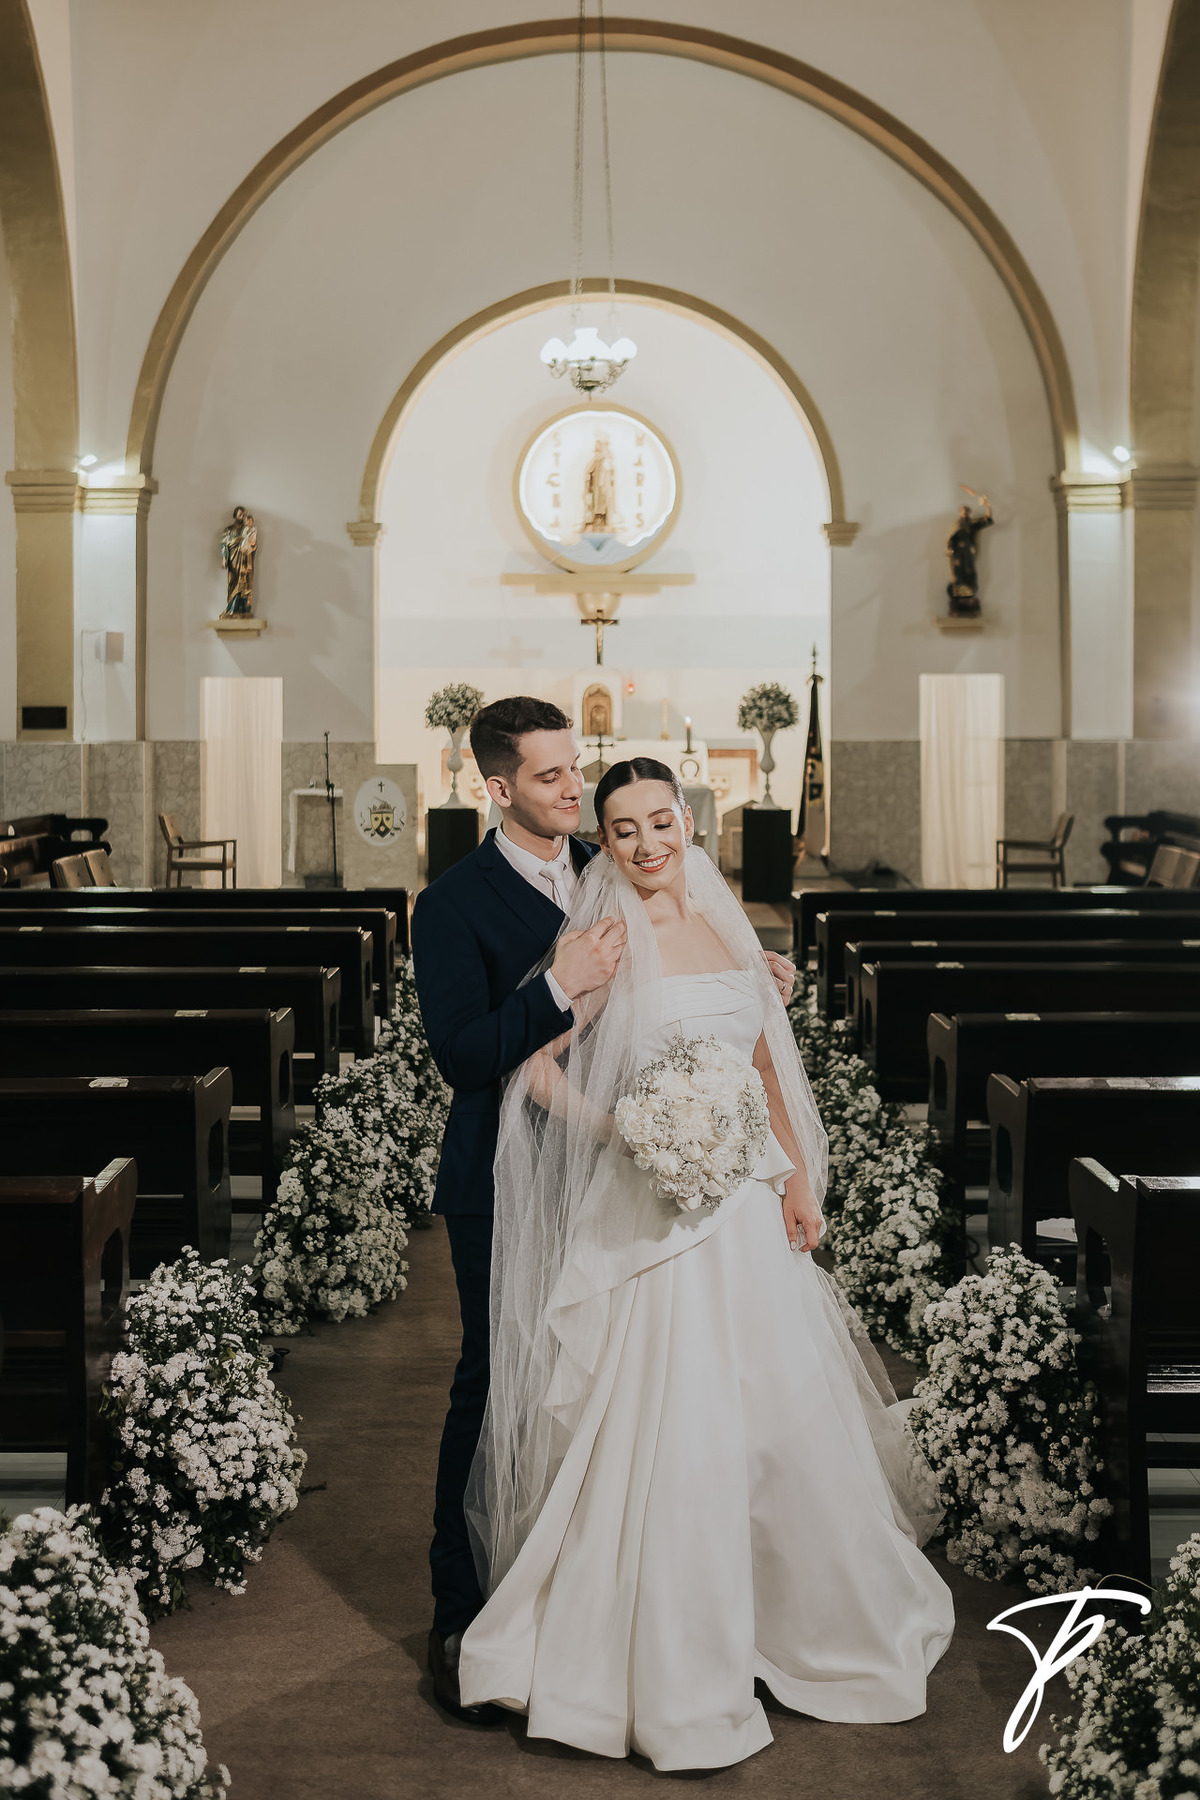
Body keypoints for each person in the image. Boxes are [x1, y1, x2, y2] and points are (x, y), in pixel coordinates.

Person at [456, 757, 955, 1771]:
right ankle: (675, 1642)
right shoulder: (604, 942)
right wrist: (626, 1132)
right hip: (654, 1217)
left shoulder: (735, 929)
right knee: (673, 1418)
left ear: (686, 820)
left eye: (659, 822)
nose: (646, 845)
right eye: (623, 830)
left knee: (776, 1412)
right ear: (605, 842)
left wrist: (798, 1182)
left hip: (747, 1208)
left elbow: (763, 1063)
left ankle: (788, 1614)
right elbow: (535, 1070)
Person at [411, 705, 797, 1725]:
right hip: (505, 1185)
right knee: (498, 1380)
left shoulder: (612, 862)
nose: (573, 789)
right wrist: (555, 989)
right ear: (498, 788)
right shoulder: (450, 904)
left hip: (628, 1183)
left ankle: (616, 1593)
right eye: (549, 777)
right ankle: (461, 1609)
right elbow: (462, 1056)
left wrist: (750, 983)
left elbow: (683, 972)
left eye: (573, 769)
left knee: (609, 1395)